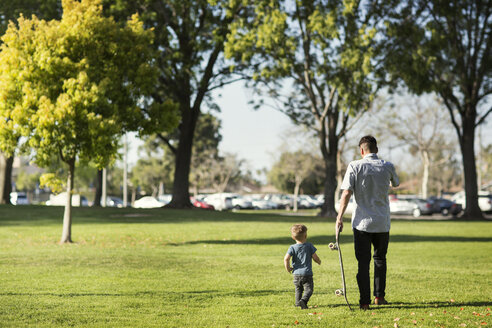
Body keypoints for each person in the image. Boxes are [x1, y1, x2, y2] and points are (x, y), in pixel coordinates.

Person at [336, 135, 399, 310]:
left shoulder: (354, 166)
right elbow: (396, 184)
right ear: (376, 149)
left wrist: (339, 217)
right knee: (380, 260)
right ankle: (379, 297)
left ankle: (364, 302)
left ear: (361, 150)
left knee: (363, 263)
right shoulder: (387, 166)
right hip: (382, 222)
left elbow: (346, 193)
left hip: (361, 223)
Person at [284, 224, 321, 309]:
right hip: (307, 273)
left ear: (293, 237)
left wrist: (288, 268)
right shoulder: (309, 246)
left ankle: (298, 303)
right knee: (309, 289)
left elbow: (286, 259)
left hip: (296, 274)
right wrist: (319, 261)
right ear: (306, 235)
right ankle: (303, 301)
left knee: (298, 289)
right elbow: (315, 257)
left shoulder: (292, 247)